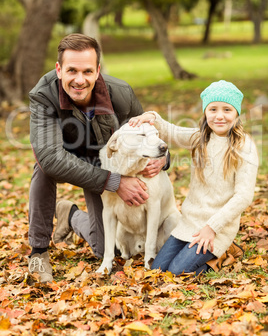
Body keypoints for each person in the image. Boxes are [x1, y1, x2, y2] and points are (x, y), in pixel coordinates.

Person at [28, 33, 168, 282]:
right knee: (43, 167)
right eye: (71, 71)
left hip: (102, 164)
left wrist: (162, 160)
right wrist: (114, 182)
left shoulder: (121, 94)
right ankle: (38, 251)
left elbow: (149, 135)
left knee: (106, 250)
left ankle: (70, 215)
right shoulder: (43, 96)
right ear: (59, 70)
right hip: (67, 160)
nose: (79, 80)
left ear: (98, 71)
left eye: (87, 71)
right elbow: (50, 157)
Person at [129, 80, 259, 275]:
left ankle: (223, 254)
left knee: (177, 272)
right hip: (190, 222)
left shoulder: (244, 147)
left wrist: (212, 228)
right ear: (206, 112)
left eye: (227, 110)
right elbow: (171, 131)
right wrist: (151, 117)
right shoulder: (200, 139)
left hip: (217, 227)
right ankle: (200, 252)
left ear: (237, 114)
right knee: (158, 269)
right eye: (213, 109)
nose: (219, 116)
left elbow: (243, 197)